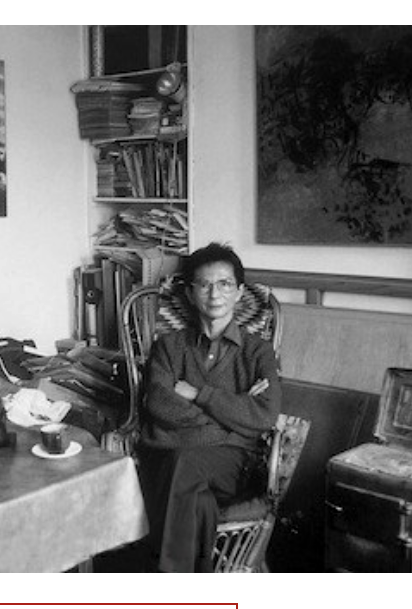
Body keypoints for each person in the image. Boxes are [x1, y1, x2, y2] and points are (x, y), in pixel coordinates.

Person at [136, 242, 281, 572]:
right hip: (173, 458)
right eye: (204, 284)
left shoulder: (258, 352)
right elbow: (159, 401)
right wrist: (231, 420)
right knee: (196, 497)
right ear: (190, 293)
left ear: (239, 292)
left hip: (231, 464)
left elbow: (264, 414)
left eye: (225, 284)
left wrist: (199, 394)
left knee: (182, 463)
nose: (215, 294)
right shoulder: (169, 347)